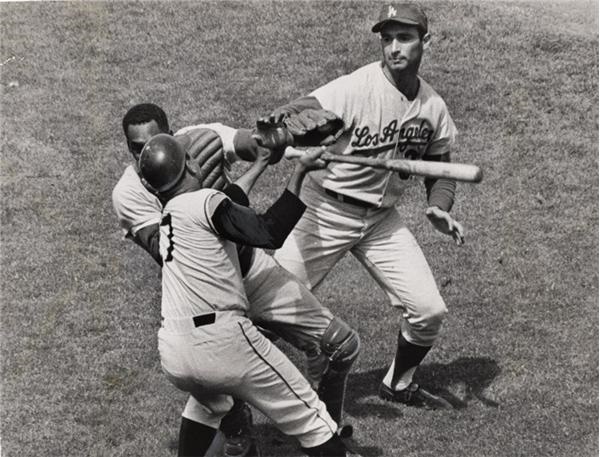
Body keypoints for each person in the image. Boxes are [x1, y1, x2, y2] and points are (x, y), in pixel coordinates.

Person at [112, 104, 360, 455]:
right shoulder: (200, 201)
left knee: (208, 406)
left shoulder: (169, 213)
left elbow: (225, 204)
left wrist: (266, 154)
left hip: (176, 344)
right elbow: (268, 231)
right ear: (193, 165)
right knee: (311, 418)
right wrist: (300, 173)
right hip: (225, 334)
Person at [260, 2, 464, 409]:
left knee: (428, 310)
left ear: (426, 41)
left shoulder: (433, 108)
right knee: (265, 309)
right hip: (323, 211)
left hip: (380, 221)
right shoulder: (356, 87)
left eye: (403, 38)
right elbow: (307, 106)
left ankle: (399, 383)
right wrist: (285, 120)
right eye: (386, 39)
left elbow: (437, 166)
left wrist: (439, 205)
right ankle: (230, 403)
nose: (393, 48)